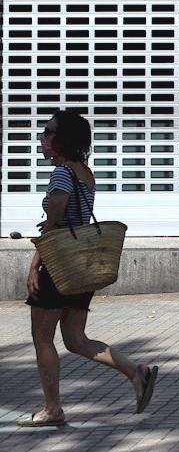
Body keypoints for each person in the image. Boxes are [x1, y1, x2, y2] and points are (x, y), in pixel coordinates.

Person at [19, 110, 158, 428]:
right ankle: (136, 372)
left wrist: (33, 269)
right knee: (76, 338)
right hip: (82, 267)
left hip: (59, 267)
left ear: (60, 140)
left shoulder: (61, 175)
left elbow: (53, 229)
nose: (42, 137)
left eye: (48, 131)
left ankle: (52, 409)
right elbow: (75, 219)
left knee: (42, 338)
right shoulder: (85, 172)